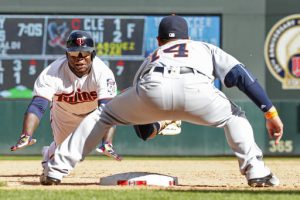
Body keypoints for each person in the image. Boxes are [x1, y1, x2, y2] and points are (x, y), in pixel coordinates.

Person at [41, 15, 283, 187]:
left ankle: (56, 169)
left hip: (153, 85)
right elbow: (242, 77)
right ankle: (256, 171)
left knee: (103, 115)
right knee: (235, 117)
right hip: (198, 90)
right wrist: (270, 113)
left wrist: (154, 126)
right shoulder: (204, 47)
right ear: (188, 38)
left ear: (158, 41)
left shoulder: (153, 56)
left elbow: (142, 124)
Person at [10, 30, 122, 168]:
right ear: (67, 54)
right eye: (74, 53)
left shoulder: (103, 73)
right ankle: (50, 152)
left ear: (93, 54)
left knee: (78, 154)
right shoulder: (52, 73)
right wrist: (26, 135)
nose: (80, 58)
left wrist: (107, 143)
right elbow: (38, 106)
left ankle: (55, 152)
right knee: (64, 154)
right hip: (64, 114)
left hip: (93, 115)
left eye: (85, 53)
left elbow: (108, 109)